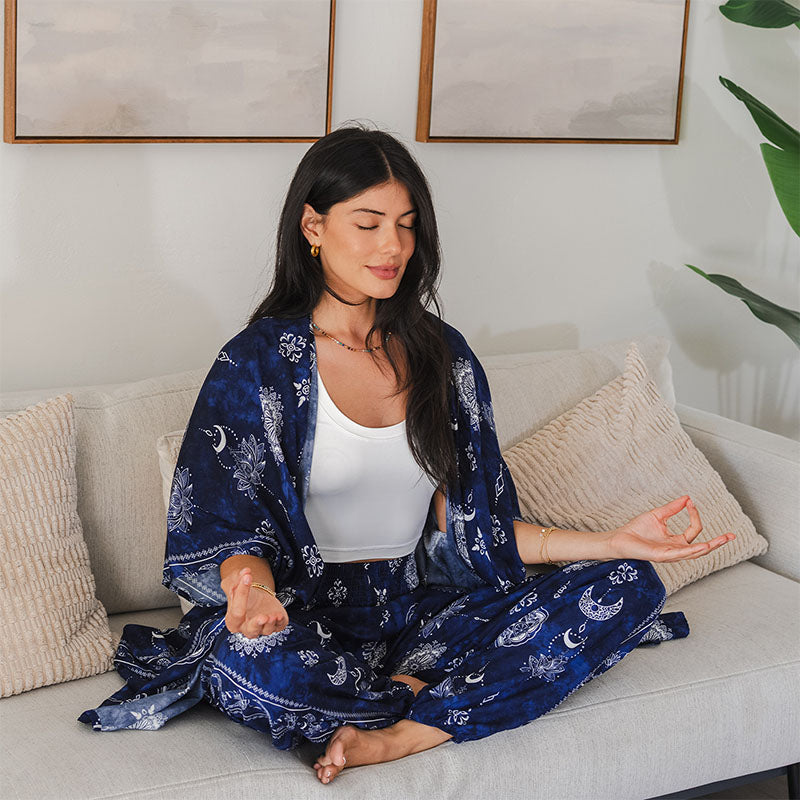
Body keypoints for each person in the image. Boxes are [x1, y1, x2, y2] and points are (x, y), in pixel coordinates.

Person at [79, 123, 736, 785]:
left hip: (420, 611)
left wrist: (612, 543)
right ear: (313, 226)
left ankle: (402, 733)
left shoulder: (443, 358)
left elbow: (474, 531)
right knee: (250, 662)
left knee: (629, 584)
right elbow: (226, 529)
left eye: (406, 225)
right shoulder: (255, 363)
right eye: (368, 224)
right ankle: (438, 691)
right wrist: (254, 595)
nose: (392, 246)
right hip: (304, 615)